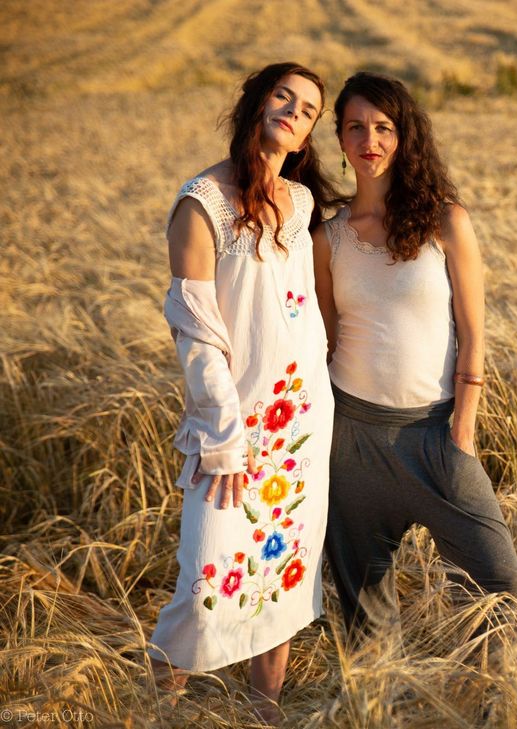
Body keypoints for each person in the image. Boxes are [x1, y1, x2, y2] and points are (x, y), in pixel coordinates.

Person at [147, 62, 337, 723]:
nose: (294, 109)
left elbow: (306, 308)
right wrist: (225, 440)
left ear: (309, 134)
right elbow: (196, 336)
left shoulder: (303, 202)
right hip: (232, 431)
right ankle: (159, 711)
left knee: (284, 572)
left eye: (308, 107)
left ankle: (265, 712)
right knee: (203, 581)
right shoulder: (202, 202)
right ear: (257, 105)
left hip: (303, 426)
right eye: (283, 96)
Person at [313, 71, 517, 636]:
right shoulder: (327, 237)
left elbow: (474, 334)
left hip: (435, 434)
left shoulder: (445, 222)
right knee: (364, 605)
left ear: (404, 136)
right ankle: (381, 707)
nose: (369, 140)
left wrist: (463, 433)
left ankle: (484, 700)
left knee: (496, 577)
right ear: (339, 140)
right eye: (355, 127)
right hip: (352, 436)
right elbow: (325, 340)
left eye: (383, 127)